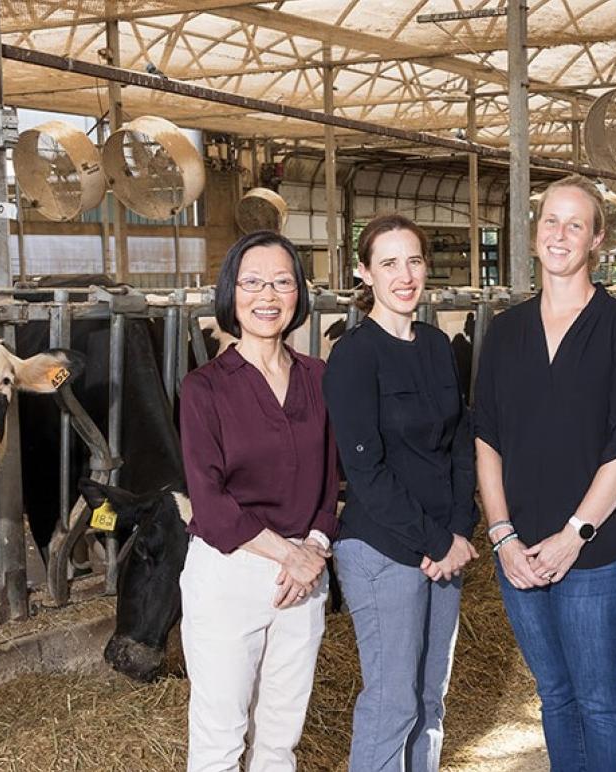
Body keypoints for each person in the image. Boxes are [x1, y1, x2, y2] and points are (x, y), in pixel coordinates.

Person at [474, 175, 616, 771]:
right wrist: (501, 535)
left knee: (600, 699)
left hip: (597, 552)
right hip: (519, 551)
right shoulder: (504, 331)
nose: (560, 234)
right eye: (550, 221)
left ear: (596, 239)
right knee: (554, 696)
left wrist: (573, 534)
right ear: (532, 235)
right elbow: (487, 440)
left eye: (575, 224)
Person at [179, 230, 339, 772]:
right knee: (220, 740)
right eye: (252, 282)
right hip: (231, 572)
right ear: (231, 293)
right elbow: (209, 500)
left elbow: (332, 481)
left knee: (279, 740)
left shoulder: (320, 378)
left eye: (281, 281)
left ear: (299, 295)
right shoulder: (204, 388)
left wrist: (313, 548)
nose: (266, 295)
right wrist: (288, 553)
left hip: (304, 578)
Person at [323, 213, 478, 772]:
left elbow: (460, 440)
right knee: (392, 705)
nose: (404, 275)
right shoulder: (354, 355)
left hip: (444, 548)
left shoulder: (437, 345)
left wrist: (462, 529)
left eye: (413, 260)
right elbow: (365, 471)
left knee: (430, 700)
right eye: (388, 263)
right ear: (364, 273)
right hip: (384, 549)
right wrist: (435, 542)